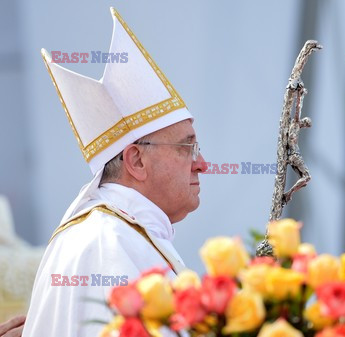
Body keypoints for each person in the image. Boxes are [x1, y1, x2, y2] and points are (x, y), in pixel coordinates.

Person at [1, 7, 207, 337]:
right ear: (137, 161)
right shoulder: (110, 243)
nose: (202, 164)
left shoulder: (121, 233)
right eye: (188, 147)